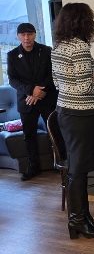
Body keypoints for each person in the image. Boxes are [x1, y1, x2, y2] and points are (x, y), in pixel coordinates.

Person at [51, 3, 94, 239]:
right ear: (82, 22)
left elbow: (59, 83)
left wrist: (89, 77)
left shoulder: (58, 47)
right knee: (78, 169)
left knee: (76, 168)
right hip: (80, 115)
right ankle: (77, 220)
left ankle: (82, 217)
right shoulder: (79, 47)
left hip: (65, 112)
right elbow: (83, 87)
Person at [7, 22, 57, 180]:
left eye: (29, 34)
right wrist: (31, 90)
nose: (26, 38)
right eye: (23, 35)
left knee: (55, 131)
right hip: (26, 101)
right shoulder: (12, 55)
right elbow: (13, 80)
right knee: (29, 135)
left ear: (35, 34)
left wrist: (41, 91)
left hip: (47, 98)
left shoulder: (46, 50)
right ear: (18, 36)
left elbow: (53, 73)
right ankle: (33, 167)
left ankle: (60, 162)